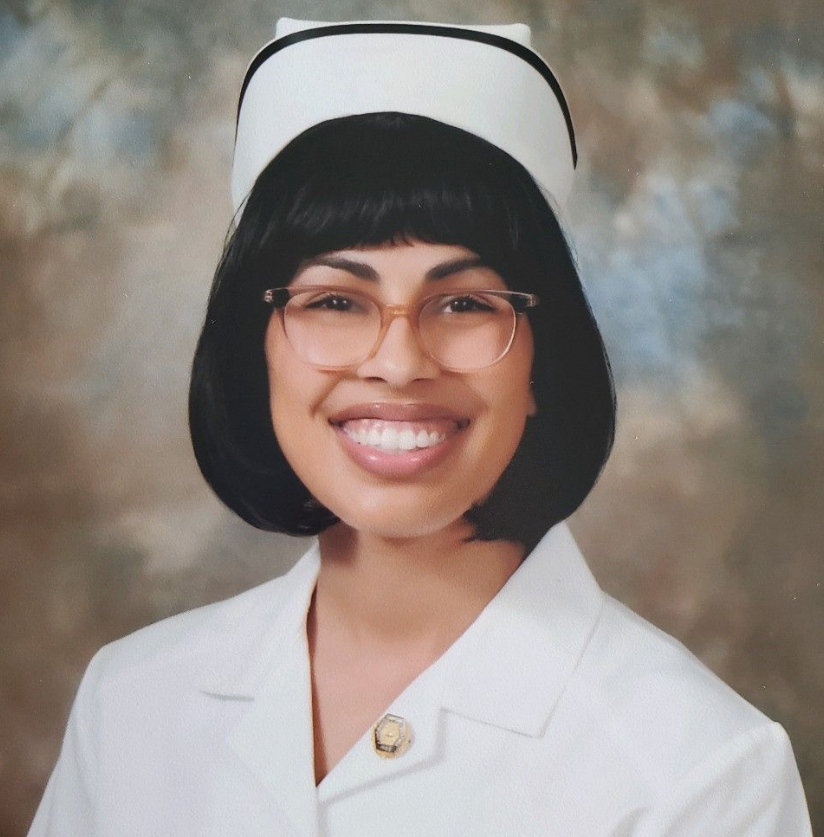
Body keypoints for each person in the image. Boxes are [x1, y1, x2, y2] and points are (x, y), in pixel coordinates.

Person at [27, 18, 813, 837]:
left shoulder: (701, 772)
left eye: (465, 301)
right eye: (334, 300)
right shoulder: (130, 703)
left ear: (541, 365)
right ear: (253, 352)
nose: (398, 363)